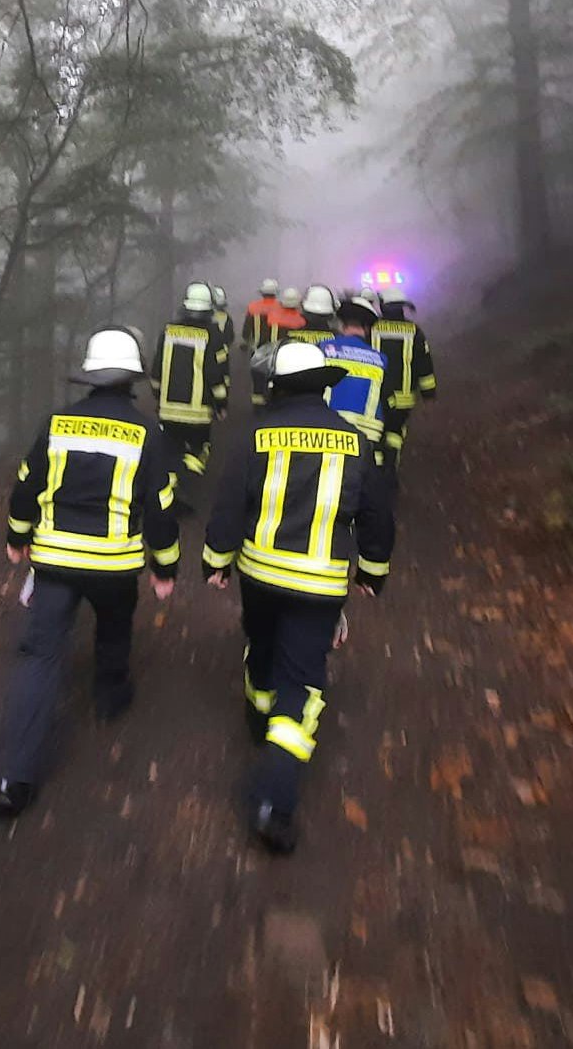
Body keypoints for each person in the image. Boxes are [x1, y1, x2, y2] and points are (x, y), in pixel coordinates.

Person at [203, 342, 395, 855]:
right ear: (324, 385)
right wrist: (373, 571)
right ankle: (274, 801)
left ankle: (255, 709)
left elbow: (228, 501)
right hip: (319, 586)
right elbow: (376, 513)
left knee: (261, 644)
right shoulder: (355, 441)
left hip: (260, 576)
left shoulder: (256, 437)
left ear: (278, 387)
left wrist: (216, 559)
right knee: (303, 685)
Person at [0, 328, 181, 817]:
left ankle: (15, 778)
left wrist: (17, 539)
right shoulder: (147, 432)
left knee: (39, 657)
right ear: (131, 380)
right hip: (114, 564)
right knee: (114, 627)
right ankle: (110, 694)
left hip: (55, 560)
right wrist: (165, 566)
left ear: (91, 378)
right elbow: (161, 506)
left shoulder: (56, 422)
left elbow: (25, 486)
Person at [152, 282, 232, 512]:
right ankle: (184, 484)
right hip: (199, 412)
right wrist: (221, 403)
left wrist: (158, 396)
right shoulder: (212, 334)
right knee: (198, 451)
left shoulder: (168, 331)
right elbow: (216, 373)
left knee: (171, 449)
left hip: (168, 409)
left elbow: (157, 369)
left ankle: (172, 489)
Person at [371, 287, 438, 468]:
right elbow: (424, 366)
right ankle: (391, 467)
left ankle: (376, 469)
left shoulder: (372, 328)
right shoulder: (414, 332)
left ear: (383, 306)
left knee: (376, 431)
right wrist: (429, 396)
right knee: (395, 433)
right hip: (403, 399)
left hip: (374, 396)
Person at [321, 299, 393, 465]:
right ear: (367, 328)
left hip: (327, 435)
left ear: (342, 324)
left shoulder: (323, 349)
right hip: (366, 441)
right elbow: (388, 404)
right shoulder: (381, 360)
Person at [251, 288, 306, 408]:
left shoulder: (271, 318)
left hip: (271, 360)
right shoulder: (302, 321)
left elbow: (263, 341)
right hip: (293, 364)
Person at [242, 279, 282, 352]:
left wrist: (247, 342)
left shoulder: (252, 307)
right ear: (275, 294)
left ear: (262, 293)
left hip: (257, 348)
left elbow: (246, 332)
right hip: (276, 350)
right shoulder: (282, 307)